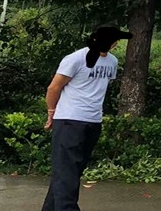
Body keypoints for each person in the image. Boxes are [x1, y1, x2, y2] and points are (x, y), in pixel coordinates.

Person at [41, 25, 132, 211]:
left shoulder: (112, 62)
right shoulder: (76, 58)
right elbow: (53, 88)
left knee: (69, 172)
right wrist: (52, 112)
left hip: (92, 122)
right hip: (69, 120)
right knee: (66, 174)